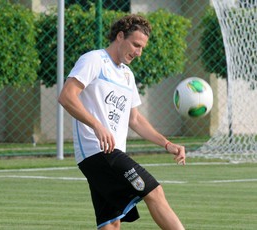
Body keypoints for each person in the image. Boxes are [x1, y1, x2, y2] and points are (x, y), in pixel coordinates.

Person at [58, 14, 186, 230]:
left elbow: (134, 119)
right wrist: (97, 126)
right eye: (135, 44)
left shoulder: (127, 75)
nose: (138, 52)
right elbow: (67, 96)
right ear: (120, 36)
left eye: (142, 47)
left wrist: (167, 144)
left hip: (106, 154)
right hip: (98, 152)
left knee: (111, 223)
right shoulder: (94, 60)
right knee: (154, 192)